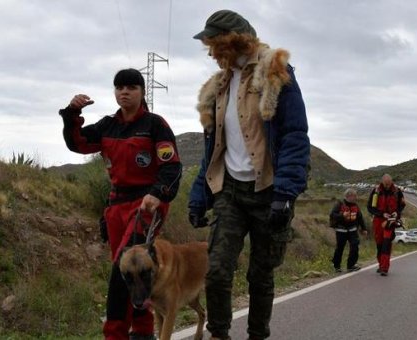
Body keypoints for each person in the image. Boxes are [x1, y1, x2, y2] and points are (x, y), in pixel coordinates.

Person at [188, 9, 309, 340]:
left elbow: (294, 135)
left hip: (268, 190)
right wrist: (199, 196)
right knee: (216, 271)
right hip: (229, 191)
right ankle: (219, 334)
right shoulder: (219, 86)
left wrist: (285, 195)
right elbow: (214, 148)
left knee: (260, 274)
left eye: (214, 43)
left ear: (232, 40)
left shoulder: (275, 72)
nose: (211, 52)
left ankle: (257, 335)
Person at [59, 68, 181, 340]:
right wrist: (71, 114)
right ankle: (142, 330)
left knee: (123, 267)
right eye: (119, 88)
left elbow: (171, 167)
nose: (124, 92)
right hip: (116, 206)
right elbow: (77, 143)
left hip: (146, 206)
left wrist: (157, 193)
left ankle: (114, 334)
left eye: (131, 87)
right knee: (129, 270)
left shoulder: (155, 125)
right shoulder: (107, 125)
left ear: (142, 92)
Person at [367, 174, 406, 276]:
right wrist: (381, 214)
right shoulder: (376, 191)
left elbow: (402, 205)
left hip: (391, 221)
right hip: (379, 221)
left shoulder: (397, 191)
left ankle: (385, 268)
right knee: (379, 244)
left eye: (389, 184)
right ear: (382, 182)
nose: (387, 186)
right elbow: (370, 208)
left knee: (386, 243)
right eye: (386, 184)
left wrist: (397, 212)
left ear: (391, 181)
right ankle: (381, 264)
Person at [329, 188, 368, 273]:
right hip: (341, 231)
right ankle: (336, 266)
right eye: (354, 196)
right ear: (348, 196)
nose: (356, 198)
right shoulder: (339, 204)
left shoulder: (355, 205)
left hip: (352, 230)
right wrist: (342, 215)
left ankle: (351, 265)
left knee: (355, 246)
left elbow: (360, 217)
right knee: (340, 248)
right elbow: (333, 215)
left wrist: (364, 228)